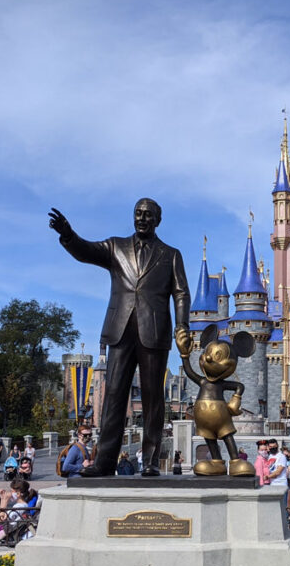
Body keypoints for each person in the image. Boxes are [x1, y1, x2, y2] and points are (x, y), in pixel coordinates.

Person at [50, 199, 190, 476]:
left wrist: (182, 326)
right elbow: (85, 251)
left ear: (158, 220)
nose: (142, 218)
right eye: (138, 214)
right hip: (120, 330)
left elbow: (181, 292)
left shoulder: (171, 254)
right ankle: (104, 462)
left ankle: (150, 461)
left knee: (153, 399)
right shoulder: (116, 247)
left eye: (148, 215)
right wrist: (68, 234)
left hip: (154, 332)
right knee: (113, 395)